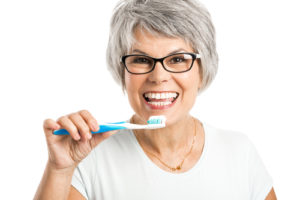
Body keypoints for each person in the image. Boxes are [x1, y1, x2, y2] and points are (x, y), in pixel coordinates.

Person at [34, 0, 277, 199]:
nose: (158, 77)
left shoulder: (239, 153)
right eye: (141, 60)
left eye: (178, 59)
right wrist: (59, 170)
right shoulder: (88, 160)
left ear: (203, 70)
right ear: (122, 73)